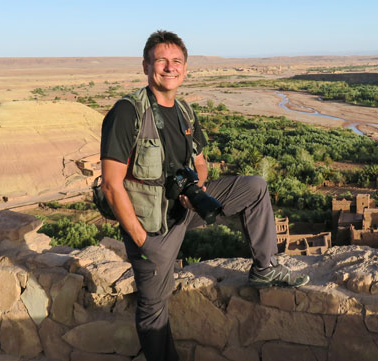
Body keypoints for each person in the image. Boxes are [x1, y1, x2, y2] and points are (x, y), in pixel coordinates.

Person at [100, 30, 309, 361]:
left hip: (186, 208)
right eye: (161, 61)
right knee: (154, 308)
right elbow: (111, 185)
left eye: (176, 61)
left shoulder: (184, 111)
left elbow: (200, 162)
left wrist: (194, 188)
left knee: (255, 187)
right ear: (146, 66)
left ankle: (265, 268)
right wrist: (142, 241)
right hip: (152, 224)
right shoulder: (128, 112)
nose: (170, 67)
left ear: (185, 68)